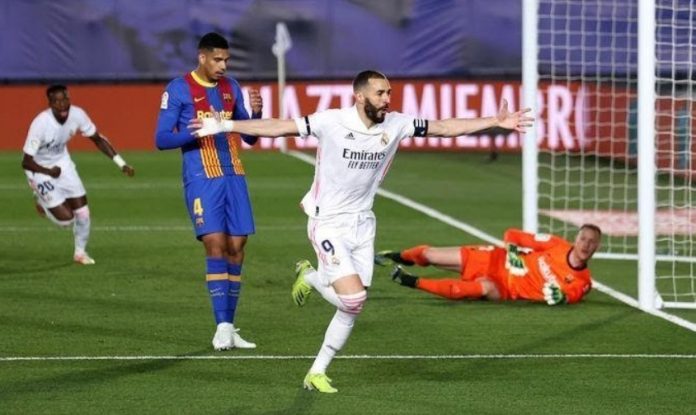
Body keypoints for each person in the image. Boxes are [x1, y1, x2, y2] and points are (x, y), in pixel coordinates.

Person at [188, 69, 533, 392]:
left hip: (362, 223)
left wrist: (495, 121)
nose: (387, 99)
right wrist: (226, 125)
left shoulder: (397, 124)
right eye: (380, 93)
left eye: (389, 93)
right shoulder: (331, 121)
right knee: (354, 299)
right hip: (327, 221)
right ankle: (312, 281)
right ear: (359, 96)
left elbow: (443, 127)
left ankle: (316, 370)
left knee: (352, 305)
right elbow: (279, 126)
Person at [155, 32, 263, 351]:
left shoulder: (231, 88)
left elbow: (250, 137)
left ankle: (229, 325)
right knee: (215, 244)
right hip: (202, 176)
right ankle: (221, 327)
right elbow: (161, 138)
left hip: (234, 174)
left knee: (237, 247)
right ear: (202, 57)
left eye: (226, 60)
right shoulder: (178, 89)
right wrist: (196, 133)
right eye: (217, 59)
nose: (223, 66)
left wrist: (255, 115)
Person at [22, 84, 135, 265]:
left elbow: (97, 139)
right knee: (66, 220)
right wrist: (49, 171)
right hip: (38, 169)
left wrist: (121, 164)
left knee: (83, 213)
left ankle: (80, 253)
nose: (62, 105)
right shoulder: (40, 124)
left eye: (65, 99)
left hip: (63, 163)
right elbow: (26, 162)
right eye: (57, 101)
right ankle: (42, 201)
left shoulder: (77, 115)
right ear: (50, 104)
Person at [376, 225, 602, 305]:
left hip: (505, 288)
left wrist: (561, 297)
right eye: (583, 239)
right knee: (429, 254)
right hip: (495, 258)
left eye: (592, 242)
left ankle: (410, 280)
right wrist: (513, 253)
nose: (586, 244)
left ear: (597, 247)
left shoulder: (583, 282)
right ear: (576, 239)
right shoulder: (556, 244)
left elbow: (572, 294)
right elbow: (513, 234)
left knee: (478, 288)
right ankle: (396, 256)